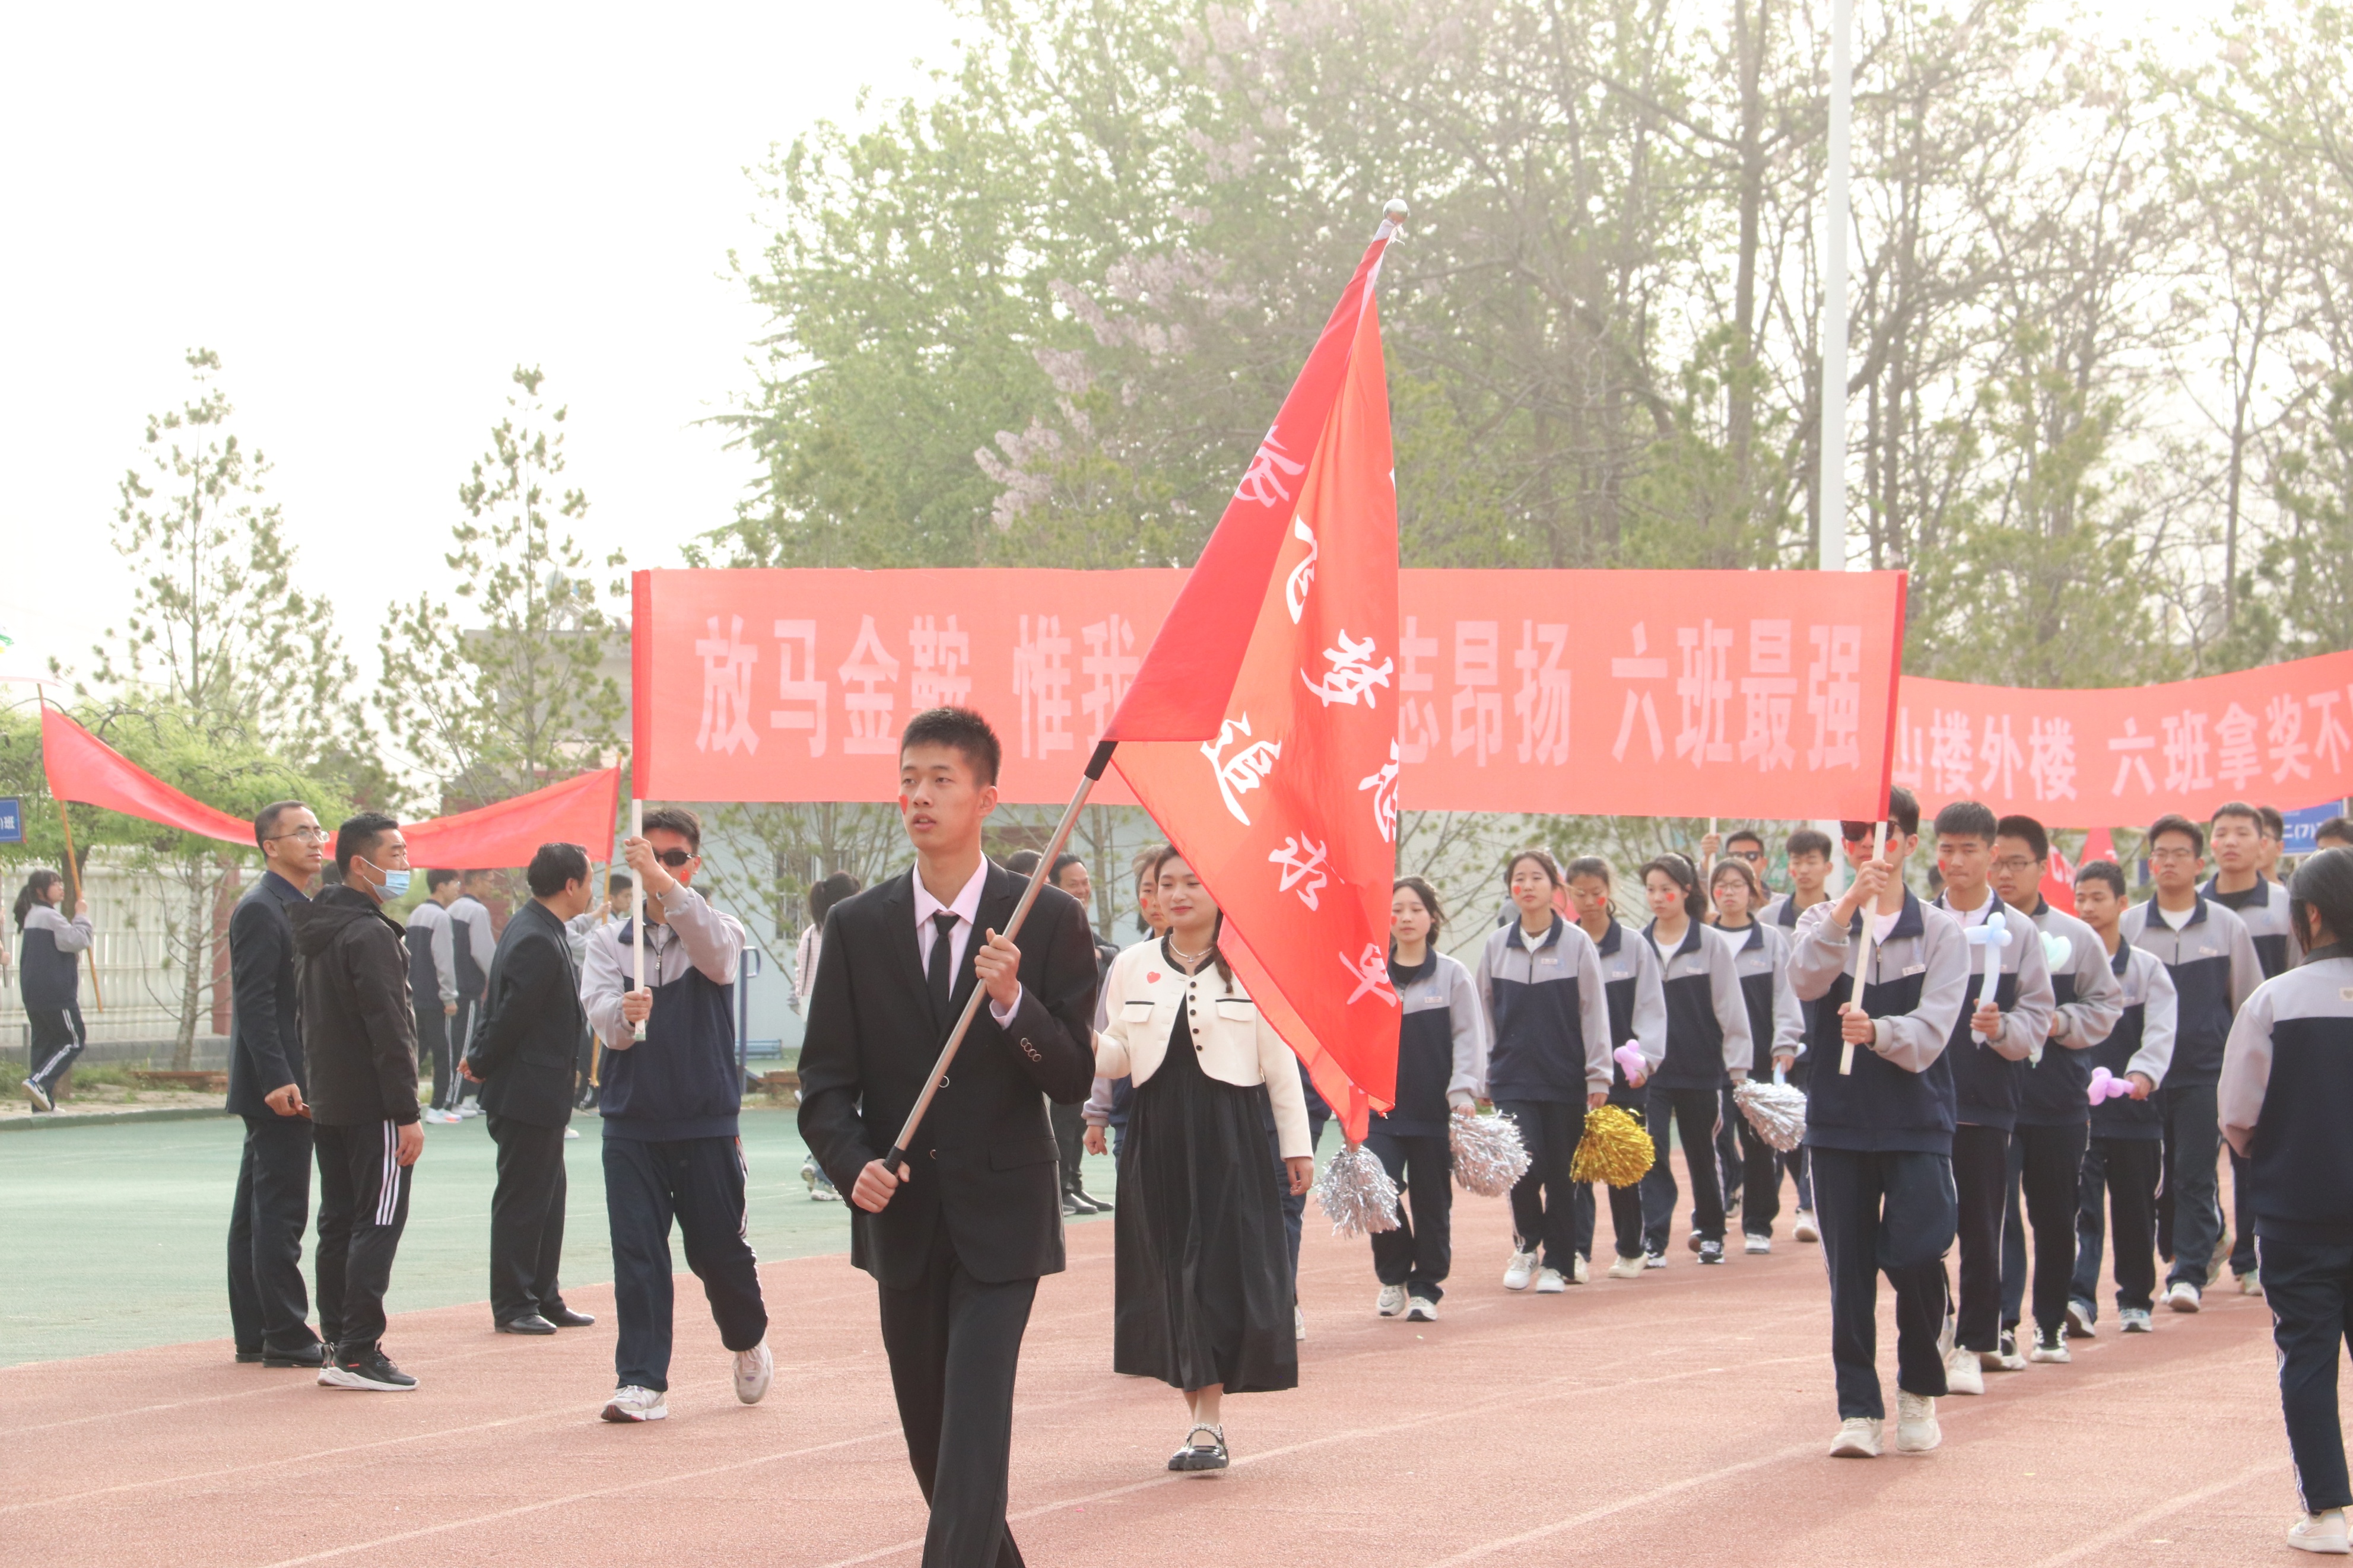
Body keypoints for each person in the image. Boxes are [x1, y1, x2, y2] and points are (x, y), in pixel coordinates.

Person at [796, 708, 1097, 1566]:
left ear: (985, 796)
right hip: (902, 1219)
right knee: (934, 1447)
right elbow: (824, 1084)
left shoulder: (1042, 918)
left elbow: (1072, 1074)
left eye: (942, 780)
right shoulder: (856, 926)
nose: (920, 796)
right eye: (910, 778)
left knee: (973, 1423)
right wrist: (853, 1163)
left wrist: (1012, 1002)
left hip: (1002, 1217)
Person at [1092, 847, 1312, 1471]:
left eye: (1194, 880)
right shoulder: (1130, 966)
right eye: (1166, 884)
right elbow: (1115, 1056)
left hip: (1231, 1135)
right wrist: (1072, 1042)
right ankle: (1197, 1418)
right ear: (1152, 896)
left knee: (1216, 1270)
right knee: (1170, 1270)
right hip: (1156, 1135)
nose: (1179, 892)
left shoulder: (1252, 966)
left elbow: (1279, 1061)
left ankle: (1207, 1423)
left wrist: (1295, 1145)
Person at [1786, 787, 1969, 1458]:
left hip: (1915, 1119)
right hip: (1837, 1123)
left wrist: (1878, 1031)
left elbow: (1930, 1033)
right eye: (1856, 834)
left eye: (1884, 835)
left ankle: (1918, 1387)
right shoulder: (1820, 921)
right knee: (1850, 1269)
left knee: (1916, 1250)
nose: (1870, 847)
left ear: (1910, 843)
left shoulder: (1941, 933)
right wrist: (1846, 907)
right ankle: (1858, 1409)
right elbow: (1805, 981)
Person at [580, 806, 773, 1425]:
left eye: (673, 858)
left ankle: (745, 1337)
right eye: (649, 857)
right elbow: (602, 1021)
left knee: (717, 1250)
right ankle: (640, 1380)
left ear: (693, 862)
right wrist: (623, 1013)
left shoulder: (718, 929)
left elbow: (717, 959)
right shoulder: (609, 941)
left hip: (704, 1120)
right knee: (637, 1251)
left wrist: (664, 887)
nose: (659, 868)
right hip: (632, 1121)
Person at [2219, 846, 2353, 1556]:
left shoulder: (2272, 1000)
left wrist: (2274, 1159)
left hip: (2295, 1214)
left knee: (2304, 1357)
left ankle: (2327, 1512)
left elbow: (2237, 1113)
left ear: (2307, 916)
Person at [291, 812, 424, 1392]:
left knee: (340, 1221)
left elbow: (309, 1022)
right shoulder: (369, 934)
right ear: (359, 864)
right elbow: (389, 1030)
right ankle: (356, 1351)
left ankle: (338, 1345)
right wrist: (407, 1112)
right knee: (377, 1219)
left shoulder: (318, 927)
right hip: (372, 1106)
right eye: (394, 855)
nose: (404, 865)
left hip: (332, 1099)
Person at [1927, 800, 2054, 1390]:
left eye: (1968, 849)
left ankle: (1972, 1344)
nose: (1955, 861)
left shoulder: (2019, 931)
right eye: (1946, 849)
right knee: (1923, 1226)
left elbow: (2037, 1013)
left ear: (1990, 855)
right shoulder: (1916, 924)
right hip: (1920, 1097)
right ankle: (1934, 1324)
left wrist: (2001, 1030)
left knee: (1982, 1226)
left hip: (1984, 1097)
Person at [1987, 815, 2122, 1363]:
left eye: (2016, 863)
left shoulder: (2073, 935)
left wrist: (2057, 1022)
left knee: (2053, 1214)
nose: (2002, 873)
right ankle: (1999, 1322)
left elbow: (2106, 1005)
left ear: (2042, 867)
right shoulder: (1966, 933)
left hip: (2057, 1100)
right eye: (1995, 861)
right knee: (1995, 1216)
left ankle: (2050, 1324)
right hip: (1991, 1100)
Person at [2120, 812, 2264, 1313]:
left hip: (2206, 1072)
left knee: (2193, 1173)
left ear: (2198, 862)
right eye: (2159, 853)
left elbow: (2247, 1001)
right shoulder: (2129, 925)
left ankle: (2187, 1272)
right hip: (2144, 1074)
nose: (2168, 861)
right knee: (2155, 1179)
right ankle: (2190, 1242)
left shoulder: (2227, 926)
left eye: (2180, 853)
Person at [462, 842, 599, 1336]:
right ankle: (514, 1302)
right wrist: (479, 1058)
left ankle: (544, 1293)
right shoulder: (536, 937)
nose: (591, 888)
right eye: (589, 879)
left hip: (541, 1091)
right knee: (524, 1199)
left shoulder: (539, 928)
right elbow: (511, 1012)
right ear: (570, 885)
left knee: (549, 1195)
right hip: (525, 1089)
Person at [1476, 850, 1611, 1294]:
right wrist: (1484, 1074)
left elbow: (1593, 1011)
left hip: (1564, 1077)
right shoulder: (1496, 946)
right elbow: (1484, 1014)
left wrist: (1598, 1073)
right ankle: (1526, 1245)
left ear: (1554, 887)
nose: (1528, 885)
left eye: (1537, 877)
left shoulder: (1576, 943)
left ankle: (1557, 1260)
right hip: (1512, 1076)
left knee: (1561, 1172)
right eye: (1519, 878)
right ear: (1510, 887)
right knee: (1521, 1165)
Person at [226, 801, 328, 1370]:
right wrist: (278, 1078)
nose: (316, 841)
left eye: (318, 831)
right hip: (280, 1086)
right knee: (281, 1210)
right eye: (303, 833)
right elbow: (256, 1003)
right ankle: (286, 1333)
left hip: (286, 1079)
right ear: (269, 846)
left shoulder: (296, 904)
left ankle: (257, 1331)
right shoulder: (262, 909)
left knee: (256, 1211)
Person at [2065, 859, 2176, 1337]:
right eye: (2081, 898)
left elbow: (2161, 1029)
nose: (2088, 907)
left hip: (2135, 1111)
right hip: (2079, 1115)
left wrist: (2142, 1074)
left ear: (2121, 903)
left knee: (2134, 1210)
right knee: (2081, 1211)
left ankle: (2135, 1300)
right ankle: (2078, 1299)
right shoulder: (2064, 963)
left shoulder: (2147, 969)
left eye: (2098, 898)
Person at [1370, 877, 1487, 1321]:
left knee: (1432, 1202)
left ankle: (1426, 1286)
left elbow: (1468, 1038)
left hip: (1435, 1112)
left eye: (1414, 909)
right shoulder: (1371, 972)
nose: (1403, 917)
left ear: (1431, 917)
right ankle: (1393, 1274)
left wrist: (1462, 1092)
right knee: (1377, 1191)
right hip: (1380, 1111)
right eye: (1395, 909)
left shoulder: (1453, 974)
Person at [1636, 853, 1752, 1267]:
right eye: (1650, 889)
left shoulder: (1710, 942)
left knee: (1703, 1153)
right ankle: (1653, 1236)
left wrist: (1736, 1069)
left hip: (1703, 1070)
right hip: (1651, 1073)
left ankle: (1711, 1232)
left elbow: (1730, 1009)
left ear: (1686, 890)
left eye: (1666, 888)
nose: (1658, 897)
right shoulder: (1638, 944)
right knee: (1650, 1153)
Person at [2209, 801, 2301, 1297]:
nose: (2229, 841)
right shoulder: (2197, 905)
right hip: (2203, 1054)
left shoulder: (2284, 906)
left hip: (2267, 1048)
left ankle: (2247, 1255)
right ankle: (2208, 1236)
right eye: (2220, 832)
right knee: (2192, 1161)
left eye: (2241, 832)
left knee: (2250, 1153)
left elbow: (2298, 970)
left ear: (2262, 841)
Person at [1564, 855, 1665, 1280]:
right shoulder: (1564, 943)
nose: (1589, 901)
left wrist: (1645, 1061)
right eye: (1579, 893)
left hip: (1624, 1076)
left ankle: (1630, 1247)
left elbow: (1650, 1008)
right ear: (1567, 894)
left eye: (1596, 892)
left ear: (1611, 889)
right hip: (1575, 1074)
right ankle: (1576, 1252)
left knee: (1621, 1164)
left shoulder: (1634, 946)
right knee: (1577, 1167)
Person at [1710, 857, 1804, 1252]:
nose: (1728, 892)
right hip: (1709, 1060)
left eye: (1737, 884)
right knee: (1714, 1140)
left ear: (1752, 891)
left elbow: (1786, 995)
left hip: (1758, 1060)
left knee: (1758, 1142)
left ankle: (1758, 1224)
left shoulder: (1769, 940)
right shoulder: (1702, 939)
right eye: (1721, 885)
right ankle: (1711, 1219)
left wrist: (1785, 1041)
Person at [1768, 827, 1837, 1242]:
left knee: (1818, 1120)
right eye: (1797, 862)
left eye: (1812, 861)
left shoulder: (1841, 914)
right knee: (1789, 1127)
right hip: (1783, 1037)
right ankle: (1804, 1197)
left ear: (1828, 866)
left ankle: (1808, 1205)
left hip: (1826, 1031)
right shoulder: (1769, 920)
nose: (1804, 869)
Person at [1081, 848, 1171, 1163]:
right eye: (1150, 889)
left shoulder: (1224, 965)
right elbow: (1108, 1035)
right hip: (1133, 1115)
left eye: (1168, 886)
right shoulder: (1127, 964)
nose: (1160, 899)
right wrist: (1097, 1113)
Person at [1049, 852, 1116, 1217]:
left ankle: (1073, 1183)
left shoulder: (1085, 927)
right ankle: (1059, 1188)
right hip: (1061, 1039)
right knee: (1063, 1117)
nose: (1083, 889)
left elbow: (1112, 954)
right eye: (1074, 884)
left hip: (1090, 1039)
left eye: (1085, 882)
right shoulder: (1052, 924)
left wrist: (1100, 953)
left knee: (1077, 1116)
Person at [792, 871, 863, 1201]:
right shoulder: (850, 927)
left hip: (811, 1015)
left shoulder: (810, 934)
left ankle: (817, 1162)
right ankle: (822, 1169)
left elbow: (800, 979)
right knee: (851, 1100)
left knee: (825, 1096)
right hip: (842, 1015)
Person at [15, 869, 91, 1112]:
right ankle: (38, 1082)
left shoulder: (33, 916)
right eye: (54, 884)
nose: (61, 887)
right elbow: (78, 940)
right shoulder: (49, 916)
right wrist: (81, 916)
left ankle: (42, 1105)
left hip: (33, 991)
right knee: (74, 1039)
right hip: (55, 992)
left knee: (45, 1044)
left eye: (60, 882)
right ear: (40, 891)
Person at [407, 871, 462, 1123]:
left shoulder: (416, 914)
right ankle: (439, 1106)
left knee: (416, 1052)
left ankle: (407, 1101)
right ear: (441, 886)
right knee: (444, 1052)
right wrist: (449, 996)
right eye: (454, 883)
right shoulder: (441, 917)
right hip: (436, 997)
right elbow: (444, 959)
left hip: (415, 994)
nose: (458, 888)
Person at [446, 870, 498, 1116]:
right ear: (476, 880)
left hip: (452, 987)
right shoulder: (476, 911)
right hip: (467, 988)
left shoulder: (452, 908)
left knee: (453, 1043)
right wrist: (499, 976)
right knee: (466, 1043)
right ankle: (460, 1098)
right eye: (489, 880)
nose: (492, 886)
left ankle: (460, 1097)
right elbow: (484, 952)